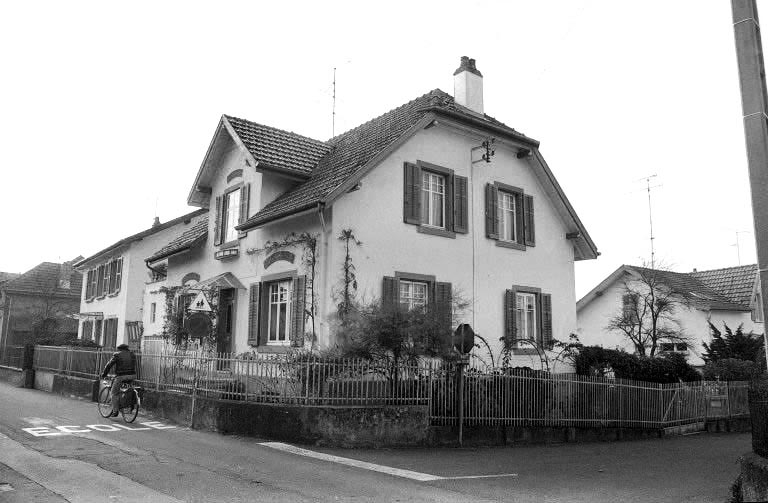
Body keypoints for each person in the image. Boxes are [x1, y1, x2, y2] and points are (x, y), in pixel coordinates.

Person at [101, 343, 137, 417]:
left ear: (119, 349)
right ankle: (129, 405)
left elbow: (109, 365)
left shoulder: (117, 355)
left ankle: (115, 411)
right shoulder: (132, 354)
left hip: (121, 376)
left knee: (114, 393)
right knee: (128, 389)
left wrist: (104, 374)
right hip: (132, 375)